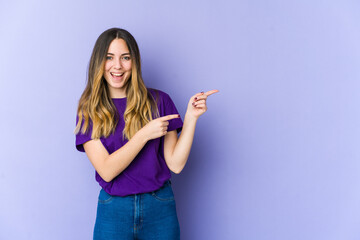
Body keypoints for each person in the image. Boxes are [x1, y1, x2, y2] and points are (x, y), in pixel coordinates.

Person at [74, 27, 219, 240]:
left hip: (159, 206)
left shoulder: (160, 101)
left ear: (135, 62)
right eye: (109, 57)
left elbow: (176, 164)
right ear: (99, 62)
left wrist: (190, 118)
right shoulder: (89, 110)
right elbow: (106, 171)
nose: (117, 66)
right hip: (114, 209)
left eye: (125, 57)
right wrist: (143, 135)